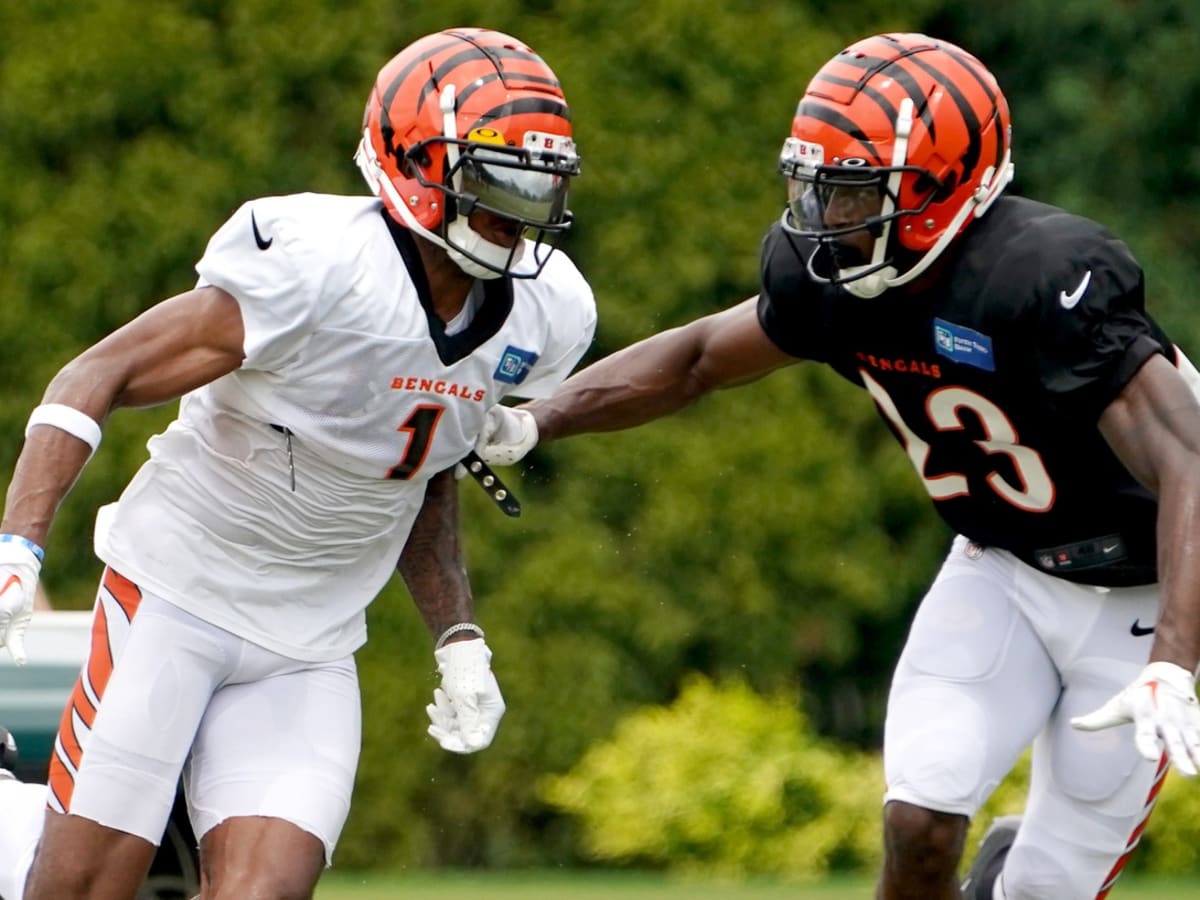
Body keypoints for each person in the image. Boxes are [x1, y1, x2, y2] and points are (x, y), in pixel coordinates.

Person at [476, 32, 1200, 900]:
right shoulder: (833, 278)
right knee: (918, 818)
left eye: (853, 194)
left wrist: (1174, 656)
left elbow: (1190, 462)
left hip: (1142, 593)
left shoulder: (1040, 275)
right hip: (1001, 566)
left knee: (1048, 889)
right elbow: (701, 357)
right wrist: (532, 422)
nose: (823, 217)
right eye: (814, 185)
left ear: (943, 189)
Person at [0, 26, 595, 900]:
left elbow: (424, 459)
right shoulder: (319, 263)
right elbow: (103, 371)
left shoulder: (548, 313)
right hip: (173, 603)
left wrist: (458, 635)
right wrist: (19, 547)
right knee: (81, 890)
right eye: (496, 183)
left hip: (308, 646)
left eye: (538, 188)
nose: (520, 214)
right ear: (418, 167)